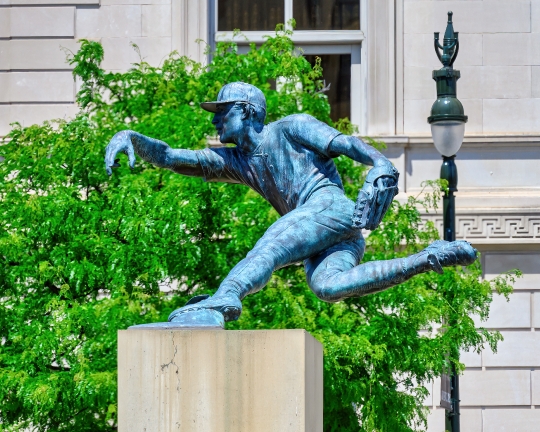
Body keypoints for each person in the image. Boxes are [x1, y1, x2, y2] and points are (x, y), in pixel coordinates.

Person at [105, 82, 477, 324]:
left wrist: (379, 162)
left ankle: (226, 299)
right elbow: (171, 156)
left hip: (328, 207)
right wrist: (132, 138)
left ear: (248, 111)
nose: (217, 120)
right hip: (336, 231)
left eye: (224, 111)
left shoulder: (290, 127)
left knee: (268, 248)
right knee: (329, 287)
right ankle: (429, 257)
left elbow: (344, 143)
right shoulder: (235, 161)